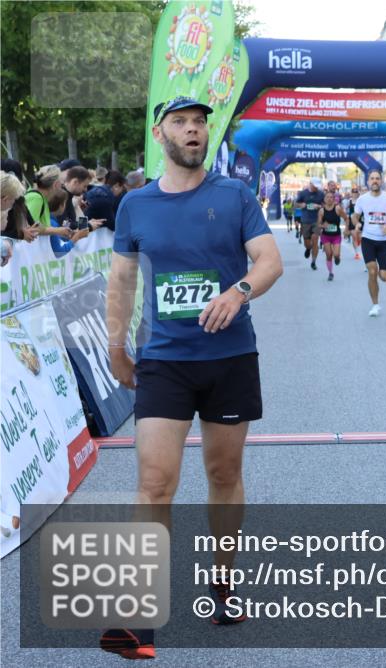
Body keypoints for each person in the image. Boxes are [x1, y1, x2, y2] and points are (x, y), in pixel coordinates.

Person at [102, 96, 283, 660]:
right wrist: (114, 345)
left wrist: (239, 291)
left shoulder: (234, 195)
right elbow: (122, 280)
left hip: (229, 358)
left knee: (223, 474)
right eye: (181, 123)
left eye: (200, 123)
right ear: (161, 134)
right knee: (156, 483)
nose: (193, 130)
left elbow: (268, 260)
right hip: (164, 361)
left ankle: (223, 583)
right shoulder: (135, 204)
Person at [352, 170, 386, 316]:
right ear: (368, 182)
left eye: (377, 178)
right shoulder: (362, 199)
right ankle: (375, 305)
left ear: (381, 181)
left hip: (384, 241)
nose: (375, 181)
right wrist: (357, 223)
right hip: (368, 239)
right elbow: (355, 215)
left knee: (384, 277)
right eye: (372, 179)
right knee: (372, 271)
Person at [296, 178, 324, 269]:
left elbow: (326, 205)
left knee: (315, 239)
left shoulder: (321, 194)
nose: (316, 188)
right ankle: (308, 248)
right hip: (305, 220)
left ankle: (313, 261)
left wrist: (319, 206)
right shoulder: (303, 193)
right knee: (307, 243)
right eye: (315, 186)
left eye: (317, 186)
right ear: (310, 184)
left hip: (317, 220)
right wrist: (301, 205)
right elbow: (295, 204)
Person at [319, 190, 344, 281]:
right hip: (326, 236)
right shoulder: (321, 211)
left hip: (336, 235)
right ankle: (330, 273)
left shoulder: (337, 209)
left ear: (334, 199)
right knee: (329, 255)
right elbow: (318, 225)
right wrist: (322, 226)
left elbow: (346, 218)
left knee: (336, 254)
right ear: (324, 200)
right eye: (327, 197)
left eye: (331, 197)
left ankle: (337, 258)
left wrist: (347, 230)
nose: (329, 199)